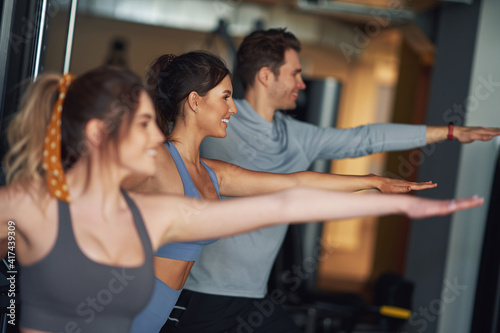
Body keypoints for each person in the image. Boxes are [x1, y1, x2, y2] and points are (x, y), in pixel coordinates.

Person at [0, 66, 481, 333]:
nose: (233, 108)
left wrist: (381, 192)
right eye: (142, 126)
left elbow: (288, 196)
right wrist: (14, 297)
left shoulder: (183, 195)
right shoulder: (30, 207)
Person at [163, 29, 500, 333]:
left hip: (252, 296)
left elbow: (361, 141)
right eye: (295, 73)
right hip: (200, 296)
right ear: (266, 76)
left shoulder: (295, 135)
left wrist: (450, 132)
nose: (302, 82)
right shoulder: (217, 122)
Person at [127, 51, 437, 332]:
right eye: (225, 97)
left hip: (161, 314)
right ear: (195, 101)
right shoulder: (159, 161)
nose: (233, 109)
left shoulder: (212, 173)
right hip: (133, 311)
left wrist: (374, 181)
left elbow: (295, 182)